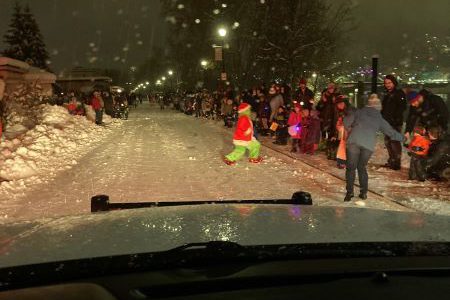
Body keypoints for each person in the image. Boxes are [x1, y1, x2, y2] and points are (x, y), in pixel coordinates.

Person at [343, 94, 404, 202]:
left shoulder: (359, 112)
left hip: (354, 141)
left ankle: (349, 193)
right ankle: (363, 193)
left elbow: (347, 121)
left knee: (351, 168)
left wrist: (350, 128)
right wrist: (404, 138)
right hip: (368, 145)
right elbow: (391, 133)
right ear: (379, 107)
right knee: (361, 167)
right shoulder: (379, 118)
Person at [381, 75, 407, 170]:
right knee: (388, 142)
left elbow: (402, 107)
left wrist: (395, 119)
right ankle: (392, 160)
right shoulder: (387, 94)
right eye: (386, 83)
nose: (387, 85)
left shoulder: (399, 93)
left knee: (394, 142)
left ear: (394, 83)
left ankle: (396, 163)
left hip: (395, 123)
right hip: (387, 123)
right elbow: (384, 109)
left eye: (389, 83)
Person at [316, 82, 339, 159]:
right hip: (325, 118)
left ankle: (333, 151)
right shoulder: (324, 95)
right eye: (329, 87)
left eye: (332, 87)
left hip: (335, 118)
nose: (331, 89)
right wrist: (323, 102)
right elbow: (319, 107)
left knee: (334, 134)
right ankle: (327, 149)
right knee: (326, 133)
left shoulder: (337, 95)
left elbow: (340, 106)